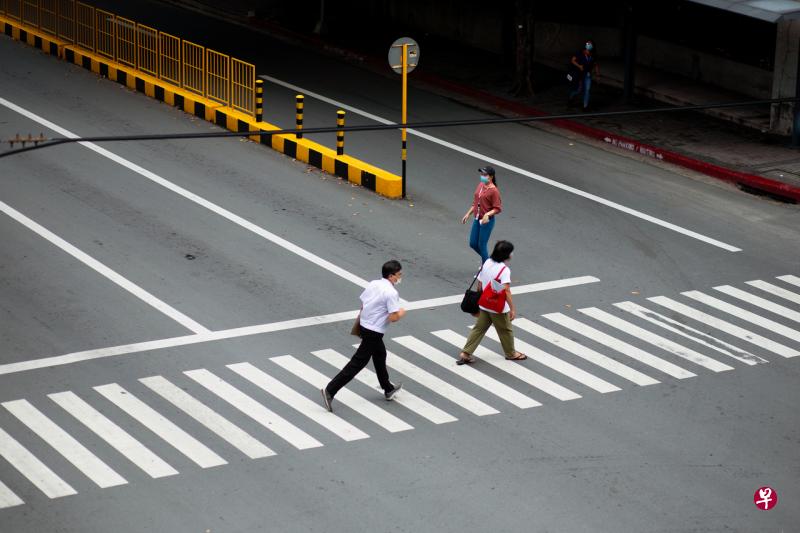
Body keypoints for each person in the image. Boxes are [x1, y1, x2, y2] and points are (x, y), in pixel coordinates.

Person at [321, 260, 405, 412]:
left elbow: (363, 303)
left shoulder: (374, 283)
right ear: (391, 276)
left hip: (366, 324)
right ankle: (330, 390)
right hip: (374, 330)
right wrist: (401, 312)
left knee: (380, 354)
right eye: (399, 274)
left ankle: (388, 388)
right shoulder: (391, 293)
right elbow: (393, 318)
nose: (400, 277)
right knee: (357, 363)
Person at [457, 240, 527, 364]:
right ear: (506, 255)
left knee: (478, 329)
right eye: (511, 252)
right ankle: (511, 354)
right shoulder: (504, 270)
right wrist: (512, 309)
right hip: (497, 307)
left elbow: (479, 284)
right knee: (505, 330)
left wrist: (480, 300)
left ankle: (465, 353)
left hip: (484, 303)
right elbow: (506, 291)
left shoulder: (487, 262)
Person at [461, 166, 502, 264]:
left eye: (485, 175)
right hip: (477, 218)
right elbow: (475, 203)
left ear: (491, 177)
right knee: (473, 243)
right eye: (481, 174)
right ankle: (489, 262)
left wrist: (487, 214)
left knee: (482, 245)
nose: (482, 176)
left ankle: (486, 267)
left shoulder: (494, 191)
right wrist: (468, 214)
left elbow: (497, 208)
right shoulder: (480, 185)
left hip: (486, 221)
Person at [568, 40, 599, 111]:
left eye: (590, 44)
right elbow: (572, 60)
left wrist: (597, 75)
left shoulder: (593, 55)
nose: (589, 45)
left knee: (587, 90)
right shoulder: (580, 53)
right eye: (588, 44)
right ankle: (571, 98)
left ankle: (585, 106)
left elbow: (595, 64)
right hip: (579, 74)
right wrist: (579, 66)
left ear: (593, 46)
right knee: (578, 90)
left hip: (587, 75)